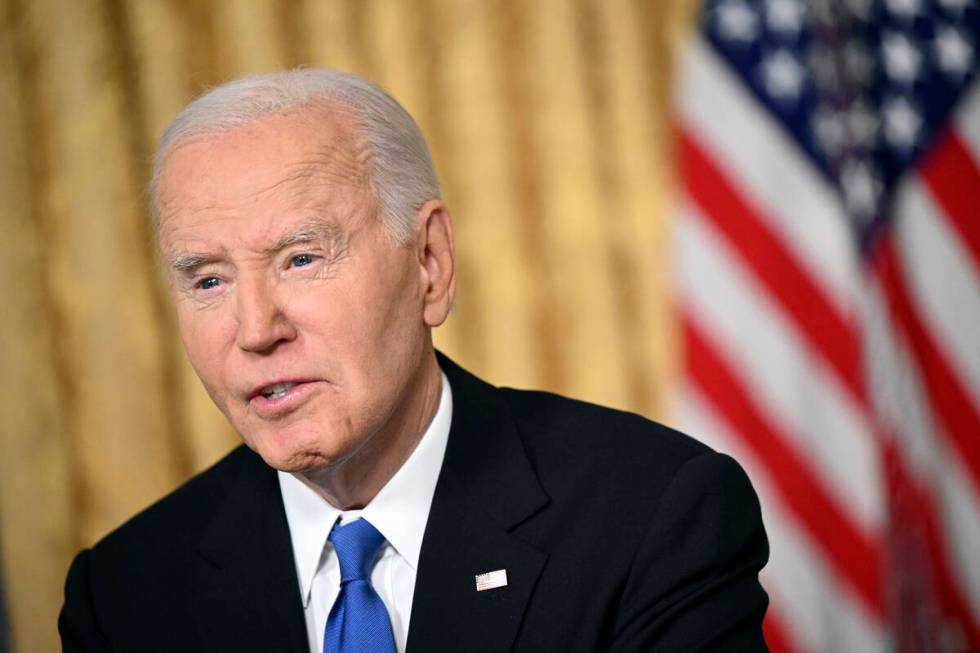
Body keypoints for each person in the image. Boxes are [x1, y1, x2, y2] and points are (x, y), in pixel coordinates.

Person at [59, 69, 770, 653]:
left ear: (429, 262)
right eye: (208, 279)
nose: (254, 329)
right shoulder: (123, 595)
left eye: (301, 259)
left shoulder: (652, 518)